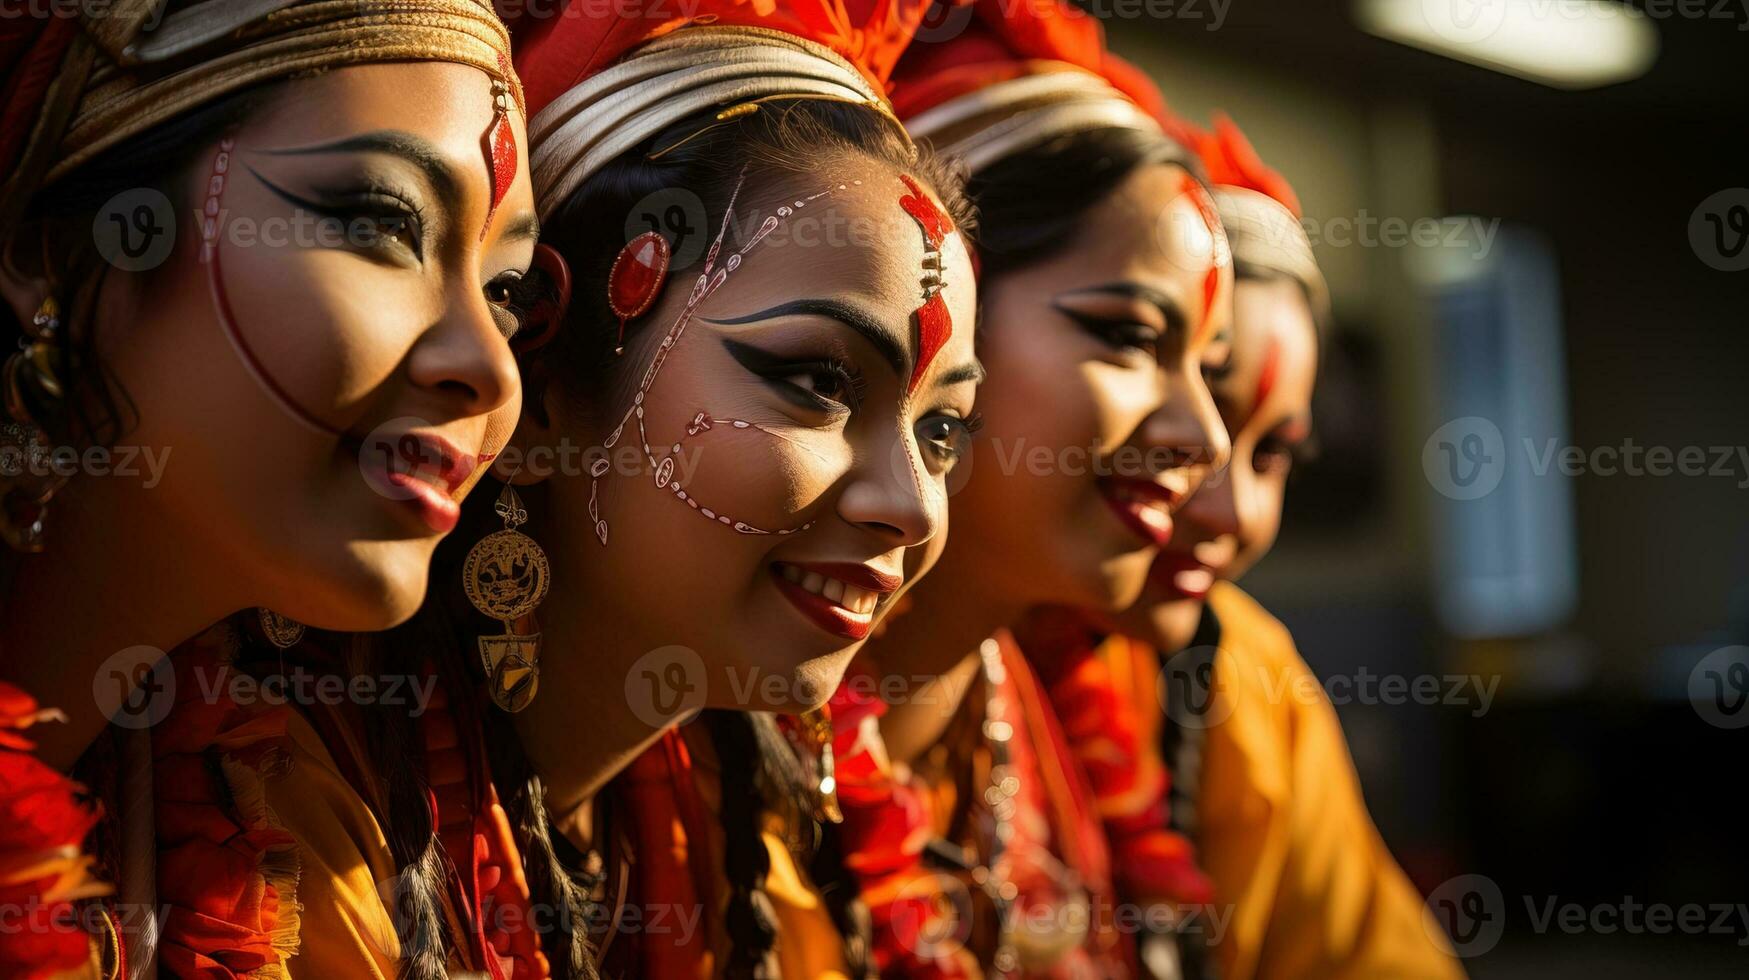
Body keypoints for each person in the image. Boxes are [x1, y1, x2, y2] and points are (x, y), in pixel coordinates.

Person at [364, 1, 982, 975]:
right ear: (542, 393)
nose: (911, 505)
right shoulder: (273, 826)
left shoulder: (744, 836)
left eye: (941, 428)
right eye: (818, 382)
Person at [0, 1, 539, 974]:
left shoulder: (229, 798)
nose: (492, 370)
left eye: (506, 288)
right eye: (383, 224)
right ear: (55, 246)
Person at [832, 0, 1235, 972]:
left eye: (1206, 368)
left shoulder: (1062, 708)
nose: (1207, 439)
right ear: (940, 311)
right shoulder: (704, 746)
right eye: (1130, 336)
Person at [1034, 115, 1466, 980]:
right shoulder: (902, 663)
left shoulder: (1244, 669)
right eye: (1192, 414)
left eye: (1273, 453)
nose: (1231, 511)